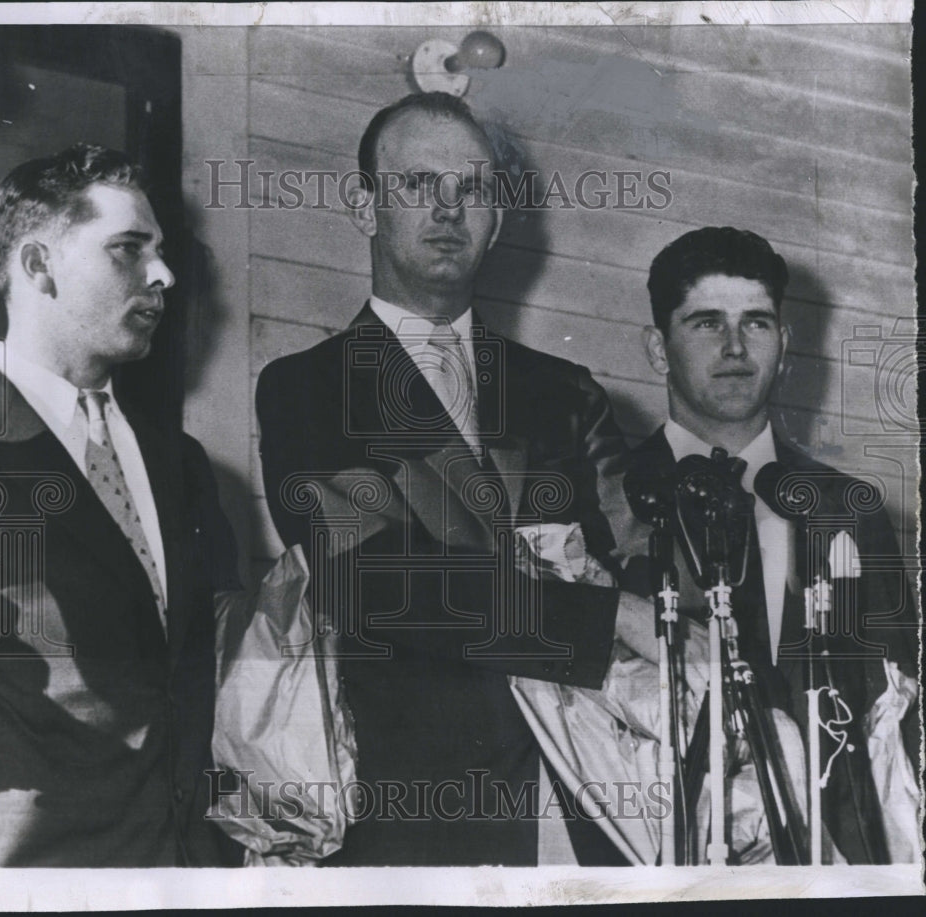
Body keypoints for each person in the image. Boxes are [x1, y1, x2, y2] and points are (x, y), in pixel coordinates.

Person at [255, 92, 658, 866]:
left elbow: (637, 561)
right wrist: (604, 618)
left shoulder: (563, 392)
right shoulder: (308, 388)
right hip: (419, 824)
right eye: (417, 185)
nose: (448, 209)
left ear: (498, 221)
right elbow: (375, 582)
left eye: (471, 189)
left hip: (602, 813)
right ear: (363, 205)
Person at [0, 144, 243, 866]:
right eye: (127, 250)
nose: (165, 276)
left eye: (163, 252)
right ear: (38, 265)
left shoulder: (183, 465)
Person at [628, 225, 919, 863]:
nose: (735, 347)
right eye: (706, 323)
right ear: (657, 348)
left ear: (784, 345)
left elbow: (902, 718)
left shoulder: (852, 511)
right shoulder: (609, 495)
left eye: (756, 323)